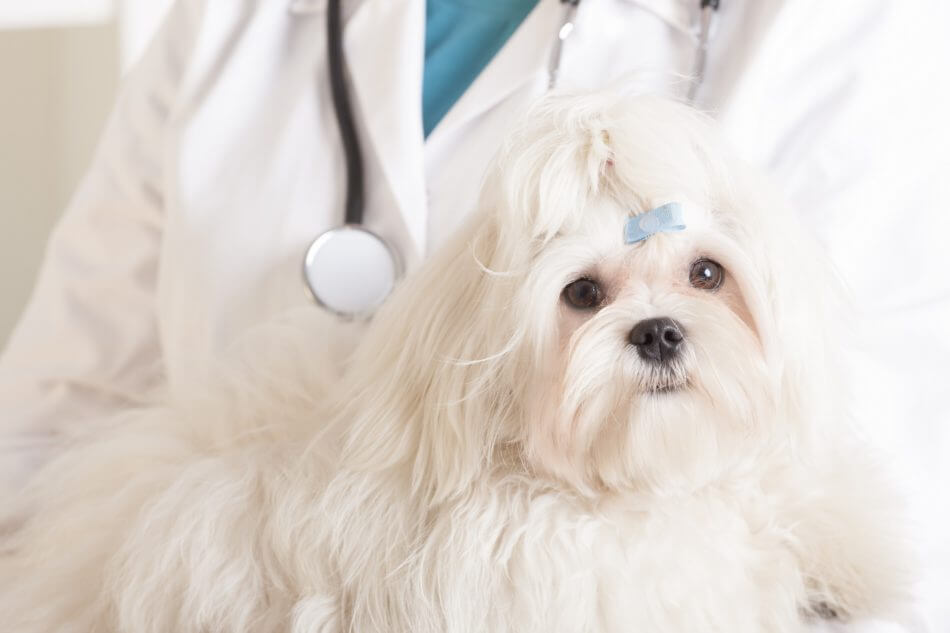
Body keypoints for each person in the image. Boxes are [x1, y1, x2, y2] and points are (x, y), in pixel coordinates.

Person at [1, 0, 948, 629]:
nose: (657, 320)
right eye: (586, 294)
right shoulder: (222, 19)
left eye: (702, 274)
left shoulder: (853, 25)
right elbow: (43, 434)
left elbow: (892, 454)